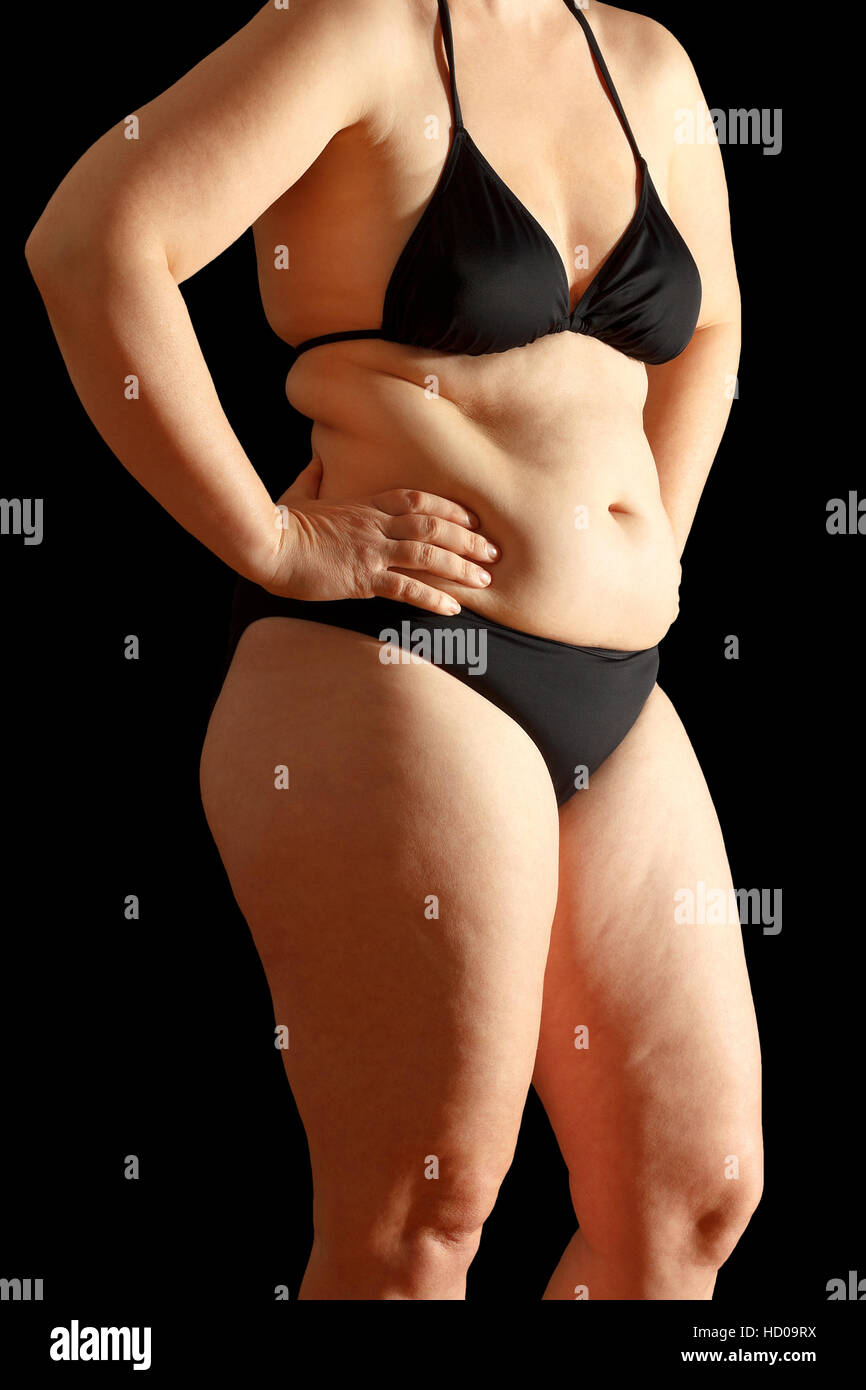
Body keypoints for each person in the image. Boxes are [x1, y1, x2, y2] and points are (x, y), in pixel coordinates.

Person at [25, 0, 761, 1300]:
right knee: (423, 1210)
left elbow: (708, 330)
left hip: (620, 690)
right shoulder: (355, 26)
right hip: (397, 661)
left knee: (689, 1198)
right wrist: (273, 539)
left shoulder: (642, 57)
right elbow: (94, 243)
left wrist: (651, 552)